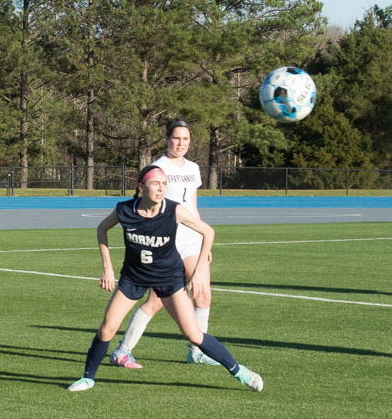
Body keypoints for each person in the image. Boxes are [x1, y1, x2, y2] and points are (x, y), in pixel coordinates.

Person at [67, 165, 263, 393]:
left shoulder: (174, 210)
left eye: (164, 184)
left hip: (169, 279)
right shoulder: (124, 210)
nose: (161, 189)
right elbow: (102, 229)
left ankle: (240, 372)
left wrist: (199, 269)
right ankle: (88, 378)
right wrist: (107, 268)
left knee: (193, 334)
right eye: (155, 184)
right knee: (106, 331)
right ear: (141, 187)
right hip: (133, 278)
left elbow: (208, 232)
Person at [109, 119, 219, 369]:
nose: (181, 143)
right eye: (176, 138)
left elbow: (192, 205)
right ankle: (123, 350)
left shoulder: (192, 168)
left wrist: (205, 243)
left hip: (191, 241)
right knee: (155, 301)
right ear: (167, 139)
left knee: (203, 295)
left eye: (186, 139)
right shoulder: (158, 168)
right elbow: (149, 206)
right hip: (166, 242)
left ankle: (196, 351)